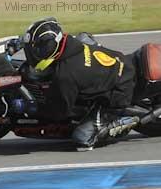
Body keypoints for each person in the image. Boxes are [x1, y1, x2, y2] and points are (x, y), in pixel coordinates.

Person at [8, 17, 137, 150]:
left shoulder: (66, 75)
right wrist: (19, 42)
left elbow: (60, 112)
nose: (32, 52)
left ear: (47, 48)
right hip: (118, 63)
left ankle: (123, 120)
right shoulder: (67, 41)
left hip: (120, 89)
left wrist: (31, 107)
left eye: (36, 49)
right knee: (84, 38)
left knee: (82, 137)